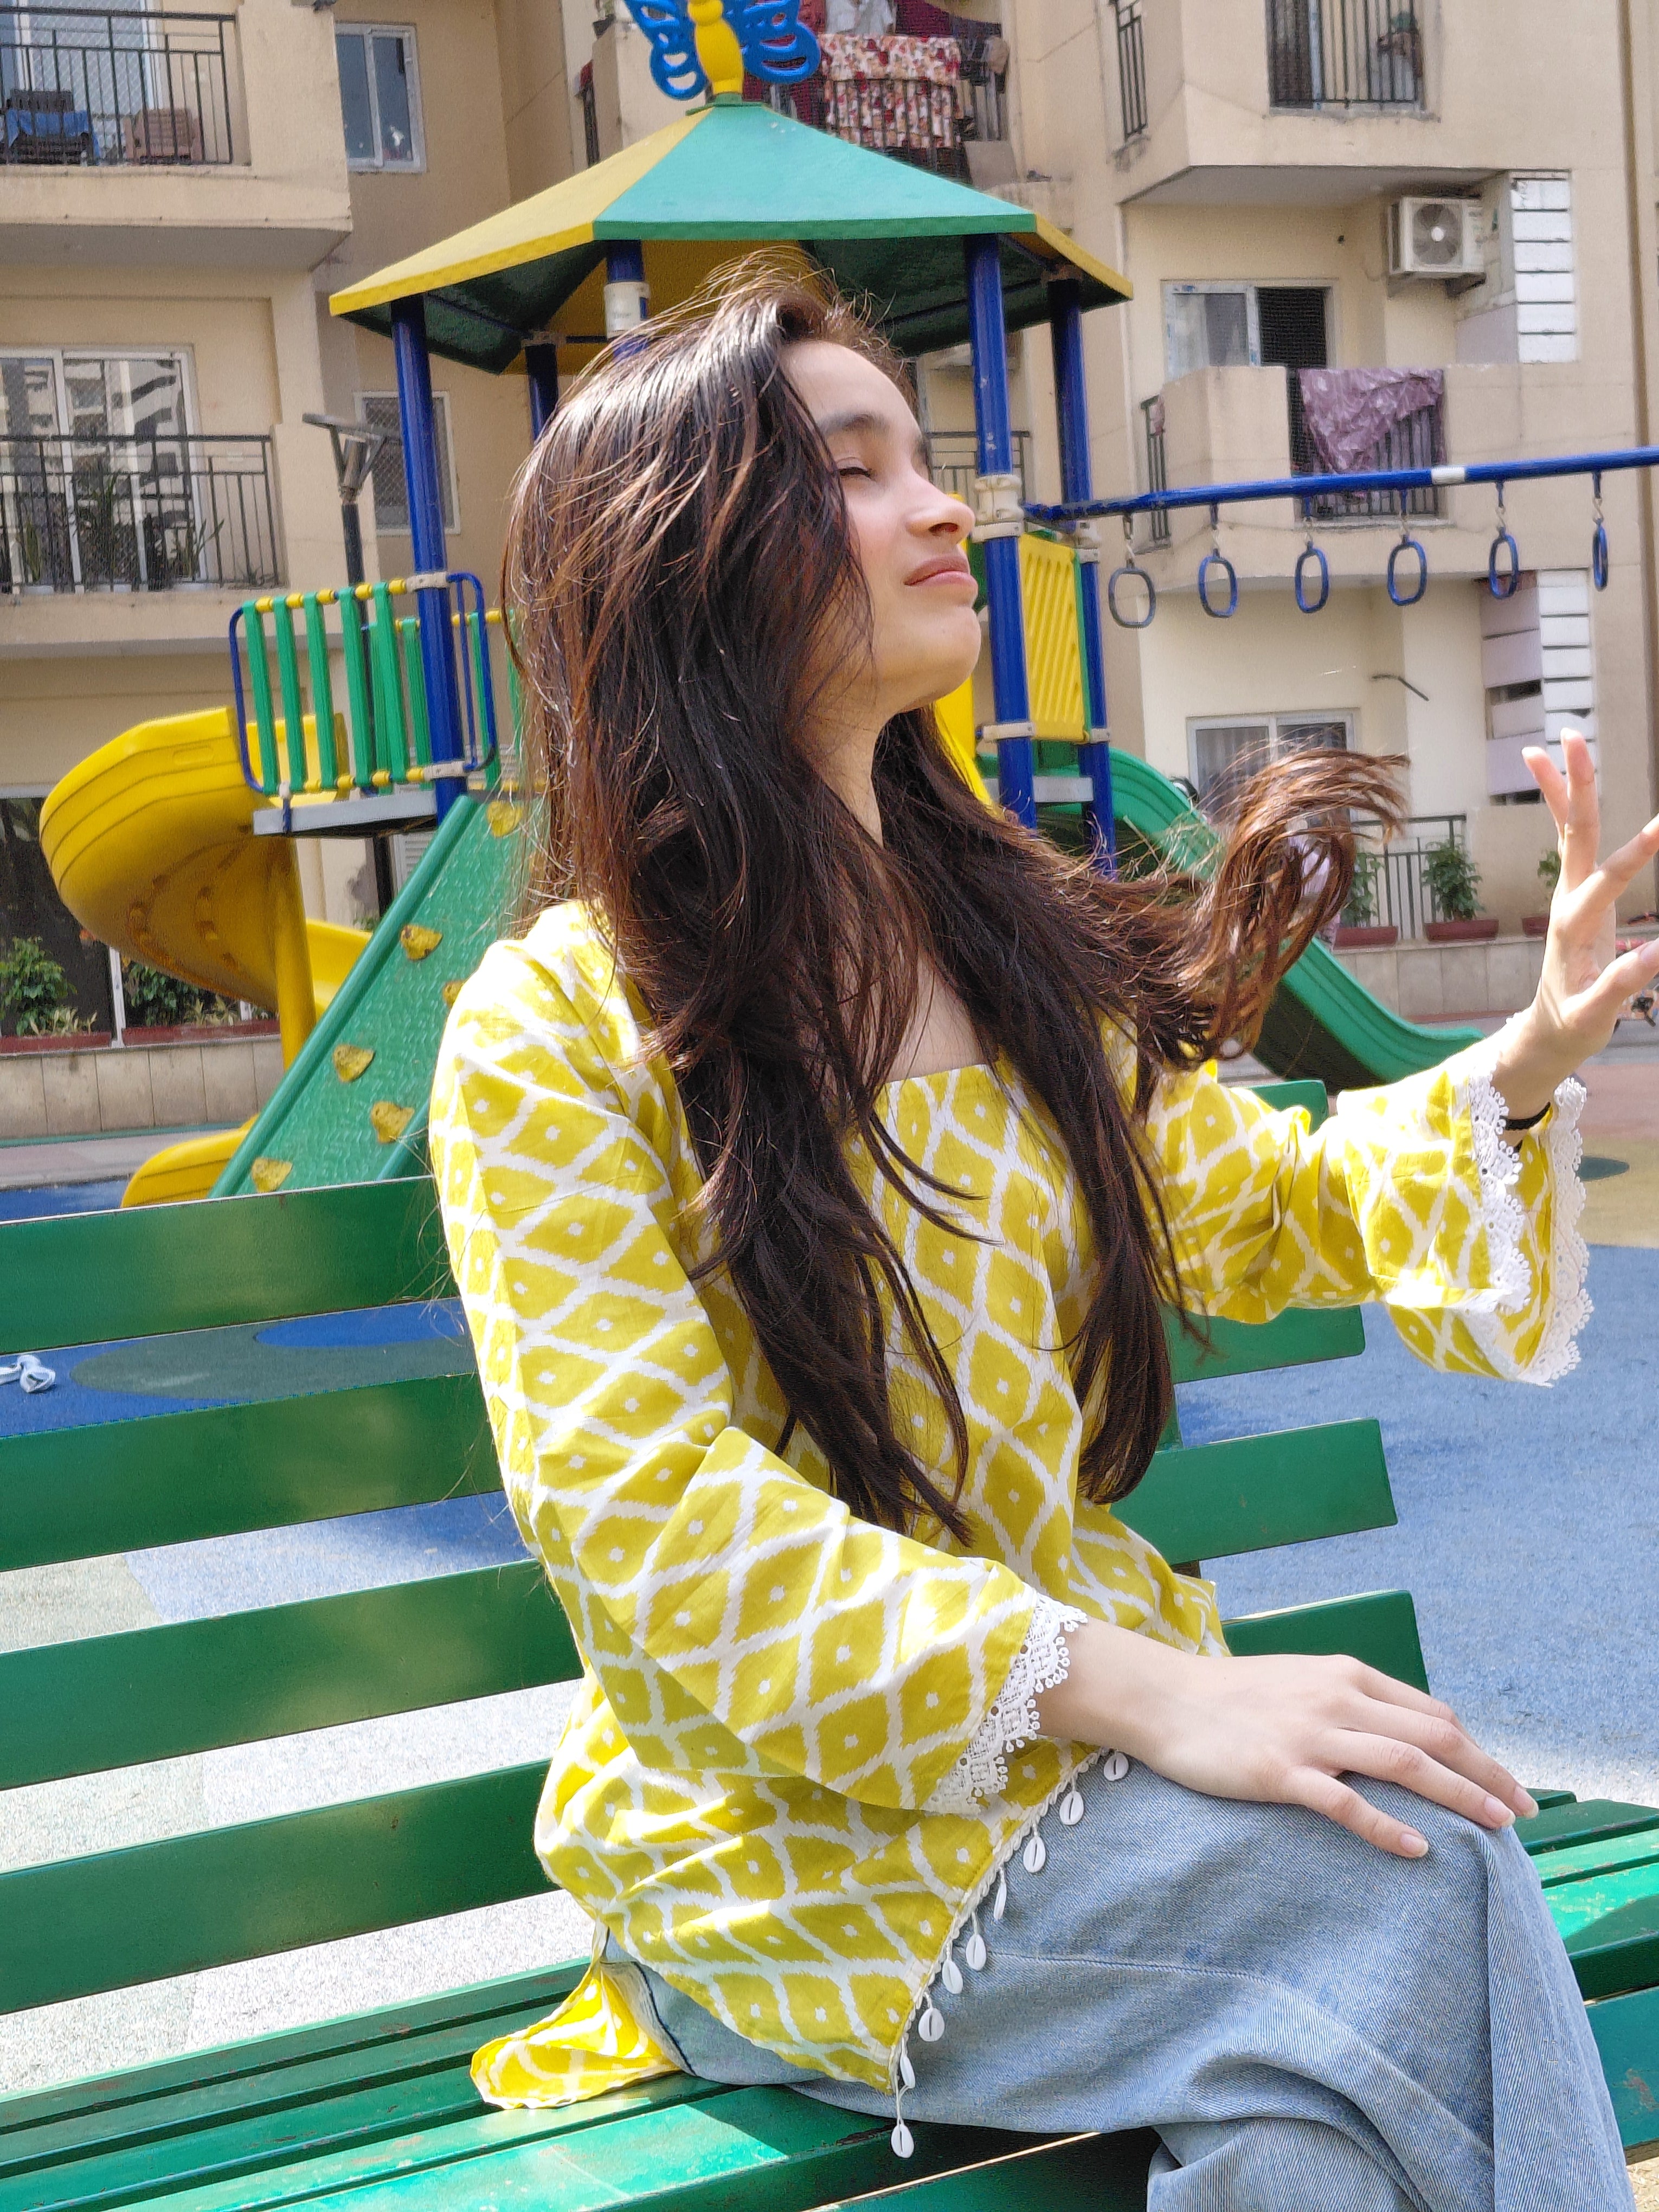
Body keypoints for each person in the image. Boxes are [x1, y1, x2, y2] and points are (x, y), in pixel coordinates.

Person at [430, 263, 1658, 2210]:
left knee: (1304, 2119)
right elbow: (646, 1516)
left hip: (1075, 1792)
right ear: (686, 553)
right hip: (776, 1845)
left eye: (929, 459)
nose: (944, 508)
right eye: (853, 469)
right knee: (1406, 1868)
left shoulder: (1005, 954)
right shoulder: (563, 1023)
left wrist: (1508, 1069)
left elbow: (1244, 1206)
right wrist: (1154, 1687)